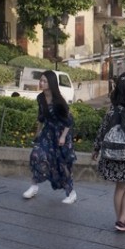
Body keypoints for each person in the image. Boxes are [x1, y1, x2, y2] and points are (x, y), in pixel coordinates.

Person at [91, 71, 125, 233]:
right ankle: (123, 219)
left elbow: (103, 129)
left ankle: (120, 218)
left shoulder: (113, 108)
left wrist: (96, 148)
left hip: (111, 152)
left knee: (120, 186)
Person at [22, 71, 77, 204]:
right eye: (40, 80)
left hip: (61, 133)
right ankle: (34, 185)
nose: (41, 83)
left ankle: (71, 192)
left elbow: (69, 121)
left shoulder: (59, 100)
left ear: (51, 83)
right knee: (36, 155)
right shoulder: (40, 98)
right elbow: (41, 117)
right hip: (47, 132)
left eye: (44, 81)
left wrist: (63, 137)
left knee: (62, 165)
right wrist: (37, 133)